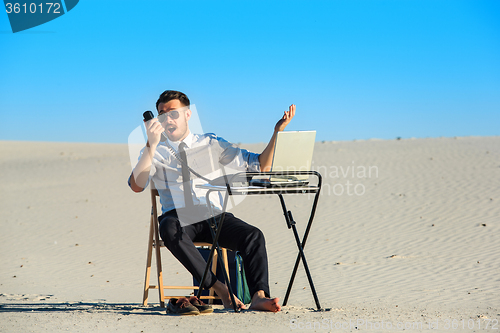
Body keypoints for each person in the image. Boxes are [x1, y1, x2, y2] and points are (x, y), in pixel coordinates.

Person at [129, 90, 295, 312]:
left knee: (252, 236)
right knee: (168, 228)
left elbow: (260, 166)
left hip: (213, 216)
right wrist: (151, 145)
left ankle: (258, 296)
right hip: (178, 219)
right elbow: (136, 185)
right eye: (162, 114)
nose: (167, 119)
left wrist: (277, 132)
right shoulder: (155, 150)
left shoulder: (211, 143)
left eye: (173, 113)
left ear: (188, 114)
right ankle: (221, 289)